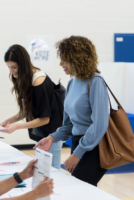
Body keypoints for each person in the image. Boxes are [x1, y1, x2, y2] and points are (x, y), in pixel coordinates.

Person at [34, 36, 109, 186]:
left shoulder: (95, 81)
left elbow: (99, 125)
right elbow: (69, 126)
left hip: (94, 148)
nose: (61, 64)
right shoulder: (71, 83)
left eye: (65, 59)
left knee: (79, 191)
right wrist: (51, 138)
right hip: (78, 144)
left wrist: (78, 153)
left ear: (78, 58)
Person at [0, 44, 64, 170]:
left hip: (53, 131)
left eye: (14, 67)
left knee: (53, 171)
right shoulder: (25, 77)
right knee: (41, 169)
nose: (11, 71)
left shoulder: (38, 81)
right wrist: (9, 121)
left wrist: (16, 126)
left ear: (23, 64)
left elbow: (45, 119)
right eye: (8, 67)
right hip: (42, 131)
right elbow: (28, 110)